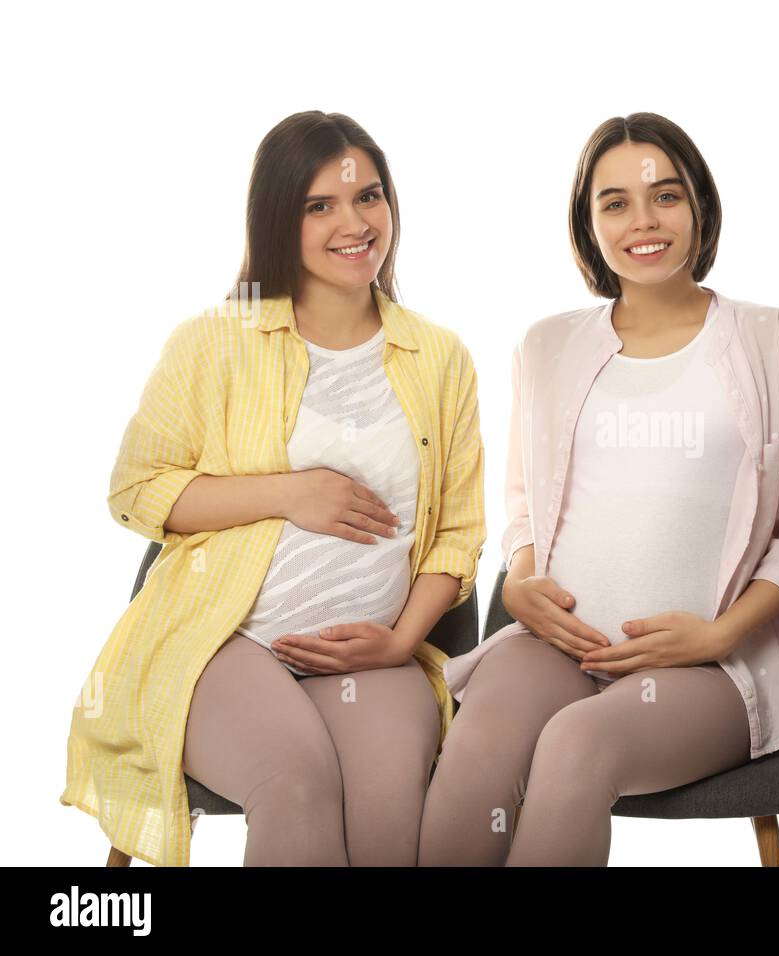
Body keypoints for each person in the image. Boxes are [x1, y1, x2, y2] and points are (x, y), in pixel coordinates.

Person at [417, 112, 779, 866]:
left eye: (665, 196)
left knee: (578, 747)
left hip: (714, 666)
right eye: (614, 203)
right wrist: (520, 583)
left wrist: (717, 635)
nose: (642, 221)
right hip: (560, 644)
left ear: (701, 208)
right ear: (588, 225)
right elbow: (523, 504)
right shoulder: (545, 347)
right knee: (477, 750)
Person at [61, 111, 486, 866]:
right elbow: (136, 490)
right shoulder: (213, 342)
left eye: (369, 197)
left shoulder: (438, 356)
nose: (353, 223)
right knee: (296, 784)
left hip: (371, 653)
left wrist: (397, 642)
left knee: (392, 810)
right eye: (318, 205)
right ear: (277, 218)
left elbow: (457, 534)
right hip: (227, 642)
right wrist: (290, 492)